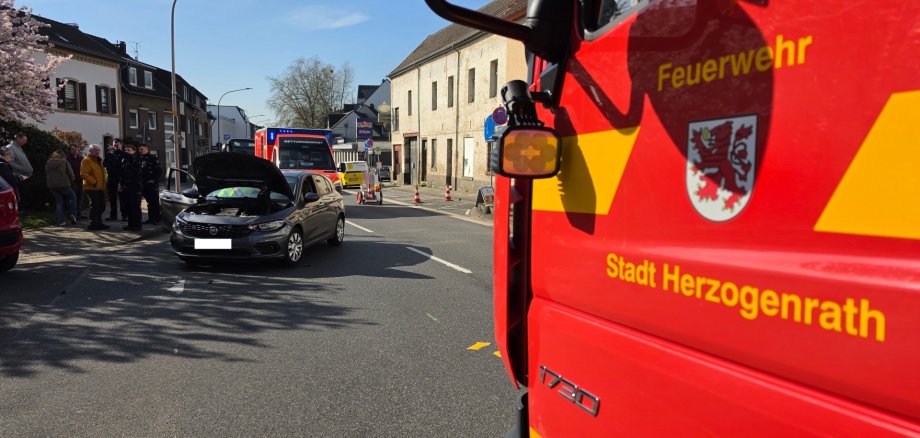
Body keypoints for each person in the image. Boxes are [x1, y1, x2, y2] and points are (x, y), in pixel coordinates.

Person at [45, 149, 78, 226]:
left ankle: (60, 222)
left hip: (52, 185)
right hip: (64, 184)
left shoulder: (48, 162)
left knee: (59, 202)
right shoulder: (64, 162)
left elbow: (46, 172)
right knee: (72, 197)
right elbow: (71, 173)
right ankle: (72, 214)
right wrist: (72, 180)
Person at [81, 144, 109, 230]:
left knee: (102, 206)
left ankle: (98, 222)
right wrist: (94, 182)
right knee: (95, 205)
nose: (97, 152)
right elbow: (83, 174)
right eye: (95, 150)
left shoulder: (98, 161)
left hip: (100, 187)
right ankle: (93, 223)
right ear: (90, 151)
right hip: (92, 187)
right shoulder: (86, 160)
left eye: (98, 150)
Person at [118, 144, 143, 231]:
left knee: (135, 207)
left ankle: (137, 225)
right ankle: (130, 224)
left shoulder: (136, 159)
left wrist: (119, 150)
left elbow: (134, 172)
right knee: (128, 206)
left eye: (129, 150)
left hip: (135, 187)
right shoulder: (124, 160)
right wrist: (120, 184)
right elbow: (122, 174)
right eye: (126, 150)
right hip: (126, 187)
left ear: (134, 151)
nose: (127, 152)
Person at [137, 144, 161, 224]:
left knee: (154, 202)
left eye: (141, 149)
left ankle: (156, 219)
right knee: (149, 202)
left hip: (151, 184)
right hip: (143, 184)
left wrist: (153, 180)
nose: (140, 151)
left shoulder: (153, 158)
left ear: (146, 149)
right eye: (139, 149)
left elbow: (158, 171)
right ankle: (151, 219)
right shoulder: (139, 159)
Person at [103, 138, 125, 221]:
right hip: (111, 179)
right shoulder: (110, 153)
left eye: (116, 145)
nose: (115, 146)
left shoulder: (123, 153)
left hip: (120, 179)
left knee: (122, 198)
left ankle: (124, 215)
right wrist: (110, 154)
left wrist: (116, 151)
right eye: (114, 145)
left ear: (121, 145)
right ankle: (113, 215)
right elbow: (104, 164)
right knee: (112, 198)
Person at [66, 143, 86, 220]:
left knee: (79, 198)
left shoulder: (81, 159)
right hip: (72, 182)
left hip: (80, 181)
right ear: (70, 150)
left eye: (76, 149)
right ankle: (72, 215)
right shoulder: (67, 159)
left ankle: (78, 214)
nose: (74, 151)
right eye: (73, 149)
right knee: (73, 199)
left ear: (78, 150)